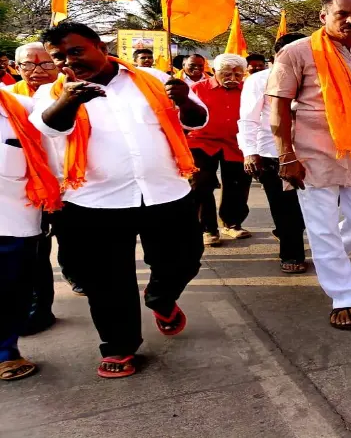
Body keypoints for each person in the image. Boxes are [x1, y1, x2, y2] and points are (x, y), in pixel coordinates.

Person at [31, 21, 209, 378]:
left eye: (76, 51)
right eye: (60, 57)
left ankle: (161, 297)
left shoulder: (153, 80)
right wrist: (69, 99)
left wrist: (186, 100)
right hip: (96, 203)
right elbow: (49, 128)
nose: (69, 61)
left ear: (99, 45)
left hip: (166, 193)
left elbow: (197, 121)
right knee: (107, 282)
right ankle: (119, 346)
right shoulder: (53, 92)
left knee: (184, 260)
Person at [267, 0, 351, 331]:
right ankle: (344, 295)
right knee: (321, 226)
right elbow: (278, 107)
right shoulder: (297, 53)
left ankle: (330, 255)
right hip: (313, 153)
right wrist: (286, 155)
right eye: (343, 14)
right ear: (324, 17)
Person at [8, 43, 72, 336]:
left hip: (77, 185)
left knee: (76, 247)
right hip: (34, 191)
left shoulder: (74, 92)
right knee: (37, 252)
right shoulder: (9, 99)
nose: (36, 71)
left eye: (45, 64)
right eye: (28, 65)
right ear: (16, 67)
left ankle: (76, 273)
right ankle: (40, 309)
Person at [0, 87, 61, 381]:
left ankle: (4, 352)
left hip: (12, 220)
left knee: (12, 288)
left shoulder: (23, 108)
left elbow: (50, 160)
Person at [239, 33, 308, 273]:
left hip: (313, 151)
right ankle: (291, 253)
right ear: (280, 54)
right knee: (285, 206)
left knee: (315, 207)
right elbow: (248, 119)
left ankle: (288, 233)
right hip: (273, 152)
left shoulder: (316, 75)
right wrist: (250, 152)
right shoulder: (259, 80)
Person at [188, 54, 252, 247]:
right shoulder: (197, 89)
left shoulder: (248, 90)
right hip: (201, 141)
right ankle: (207, 228)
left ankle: (232, 223)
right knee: (201, 184)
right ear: (214, 72)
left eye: (238, 74)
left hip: (236, 142)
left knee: (238, 182)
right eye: (226, 74)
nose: (233, 78)